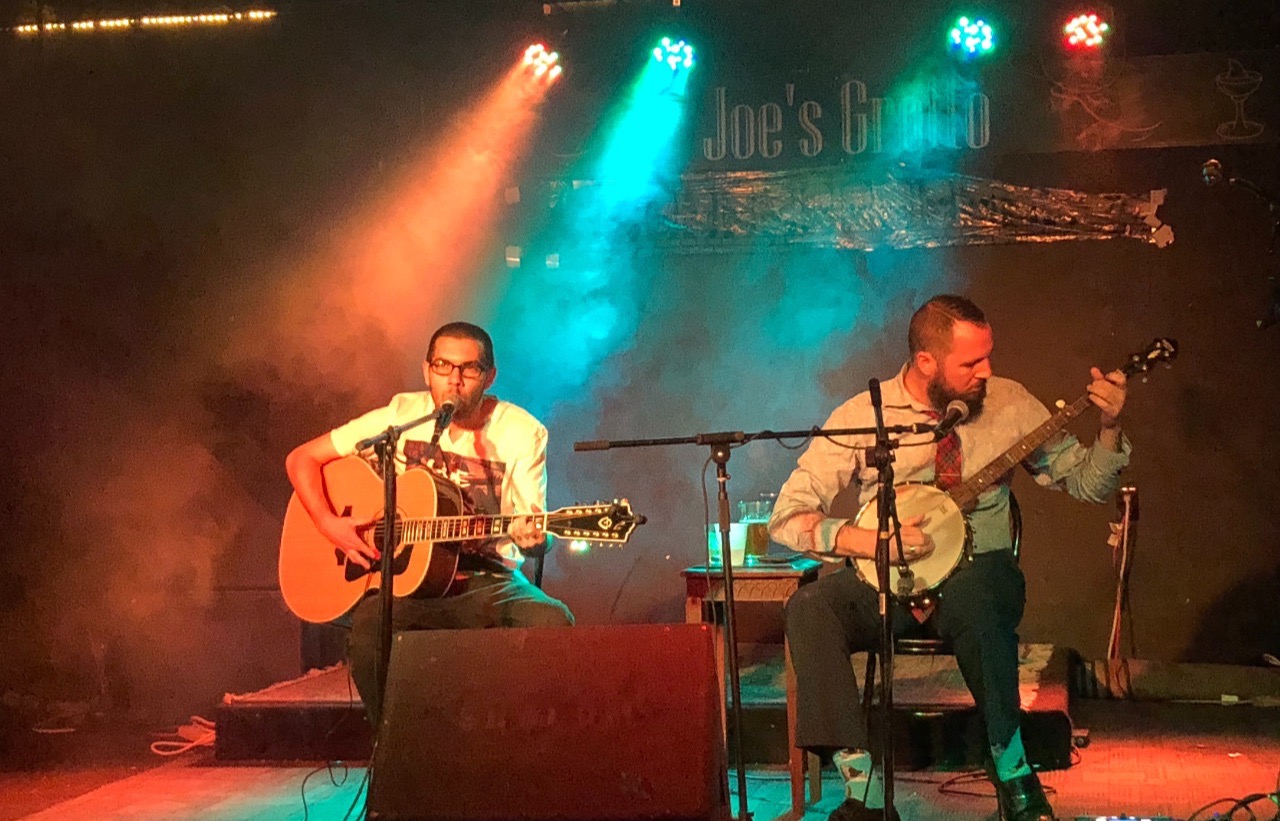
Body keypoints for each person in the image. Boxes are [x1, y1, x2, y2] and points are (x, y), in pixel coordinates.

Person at [769, 295, 1129, 821]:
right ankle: (859, 777)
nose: (987, 371)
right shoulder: (863, 415)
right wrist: (872, 544)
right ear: (925, 363)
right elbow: (787, 516)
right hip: (887, 578)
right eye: (971, 363)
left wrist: (1111, 427)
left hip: (976, 571)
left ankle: (1011, 765)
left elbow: (1087, 483)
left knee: (985, 599)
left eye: (988, 357)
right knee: (810, 608)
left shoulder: (1009, 403)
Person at [285, 321, 574, 726]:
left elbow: (532, 532)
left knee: (554, 621)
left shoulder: (522, 433)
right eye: (443, 366)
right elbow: (302, 459)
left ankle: (521, 748)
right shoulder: (401, 416)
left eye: (469, 369)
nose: (454, 380)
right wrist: (330, 523)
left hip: (487, 580)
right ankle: (390, 750)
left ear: (489, 377)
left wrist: (533, 540)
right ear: (426, 371)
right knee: (369, 632)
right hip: (408, 584)